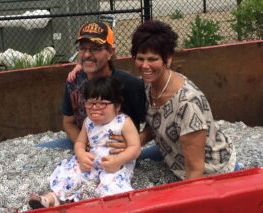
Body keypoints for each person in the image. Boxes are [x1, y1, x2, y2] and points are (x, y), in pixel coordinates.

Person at [130, 20, 239, 180]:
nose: (145, 65)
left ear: (168, 59)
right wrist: (137, 141)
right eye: (140, 58)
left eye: (152, 59)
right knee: (131, 157)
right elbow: (156, 121)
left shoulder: (187, 104)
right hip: (172, 150)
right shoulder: (148, 84)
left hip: (208, 169)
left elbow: (195, 169)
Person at [29, 76, 141, 209]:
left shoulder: (123, 122)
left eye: (102, 104)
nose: (95, 108)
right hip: (91, 163)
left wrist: (119, 160)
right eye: (90, 103)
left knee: (113, 186)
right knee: (70, 174)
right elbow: (80, 142)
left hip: (114, 166)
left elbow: (136, 147)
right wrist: (81, 156)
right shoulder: (88, 122)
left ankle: (98, 207)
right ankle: (52, 198)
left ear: (117, 106)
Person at [37, 21, 146, 152]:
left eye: (95, 48)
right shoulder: (73, 81)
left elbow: (154, 124)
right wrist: (82, 145)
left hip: (118, 153)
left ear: (111, 51)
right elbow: (68, 121)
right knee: (37, 152)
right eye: (83, 48)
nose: (87, 55)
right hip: (83, 143)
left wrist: (135, 143)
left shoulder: (130, 84)